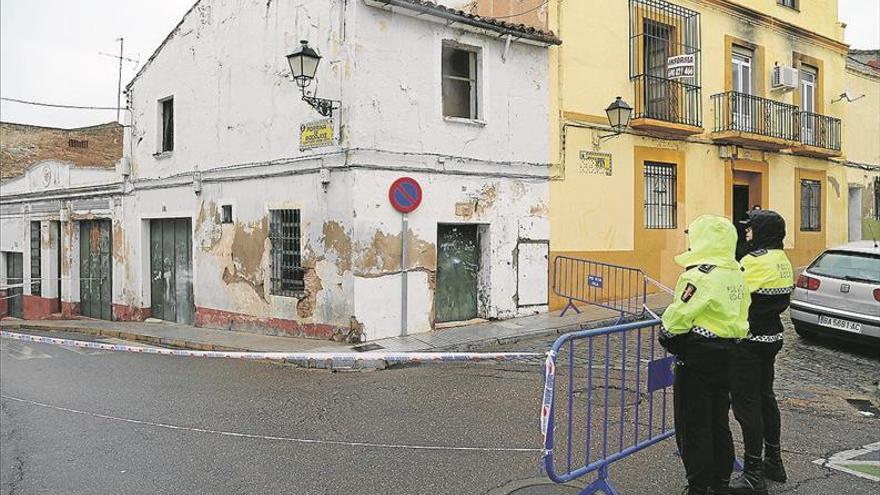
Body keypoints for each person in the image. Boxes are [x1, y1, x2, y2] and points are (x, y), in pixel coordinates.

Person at [659, 215, 750, 495]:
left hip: (699, 357)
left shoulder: (699, 275)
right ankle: (720, 481)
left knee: (693, 425)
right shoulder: (736, 271)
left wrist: (667, 333)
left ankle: (699, 487)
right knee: (718, 421)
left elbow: (679, 317)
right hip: (731, 354)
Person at [729, 210, 794, 495]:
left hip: (749, 341)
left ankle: (753, 472)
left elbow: (735, 295)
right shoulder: (783, 260)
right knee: (767, 398)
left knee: (747, 405)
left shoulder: (752, 261)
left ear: (762, 231)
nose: (746, 232)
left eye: (751, 228)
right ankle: (774, 461)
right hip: (772, 338)